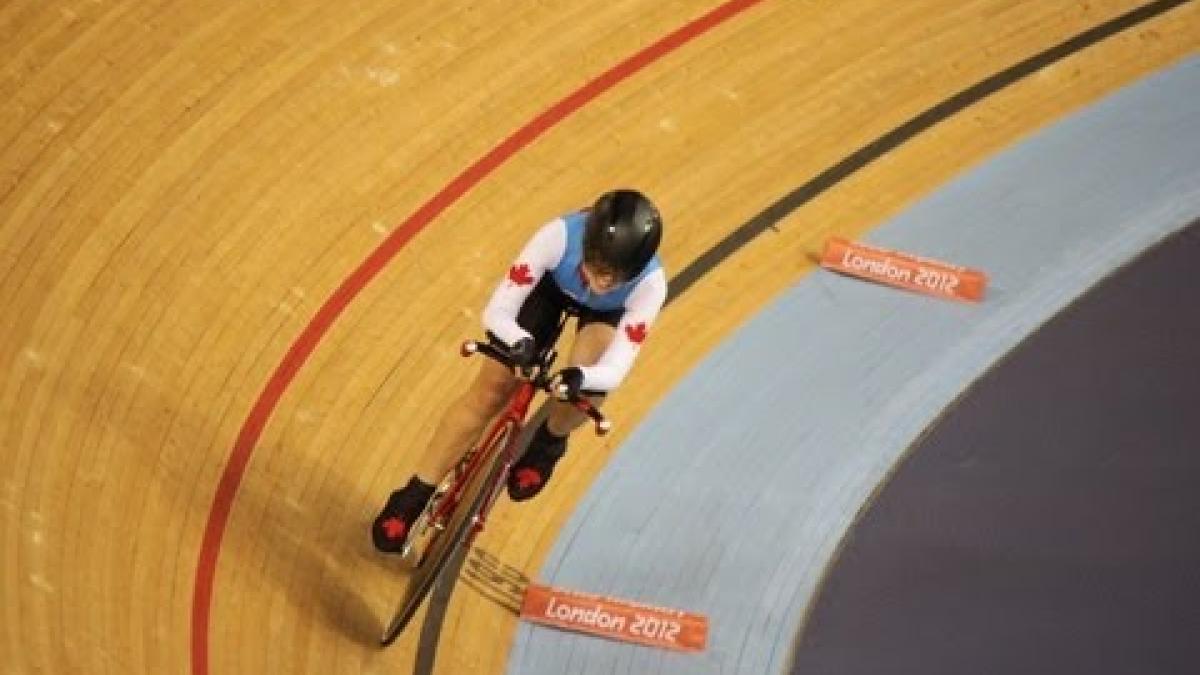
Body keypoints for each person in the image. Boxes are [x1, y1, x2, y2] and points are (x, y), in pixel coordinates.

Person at [372, 188, 668, 553]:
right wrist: (518, 340)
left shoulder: (651, 285)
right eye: (599, 268)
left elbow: (616, 367)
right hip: (548, 290)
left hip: (605, 316)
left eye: (616, 276)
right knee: (492, 389)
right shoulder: (558, 236)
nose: (603, 283)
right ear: (588, 245)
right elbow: (498, 311)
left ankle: (549, 441)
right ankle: (415, 492)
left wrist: (580, 377)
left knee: (585, 390)